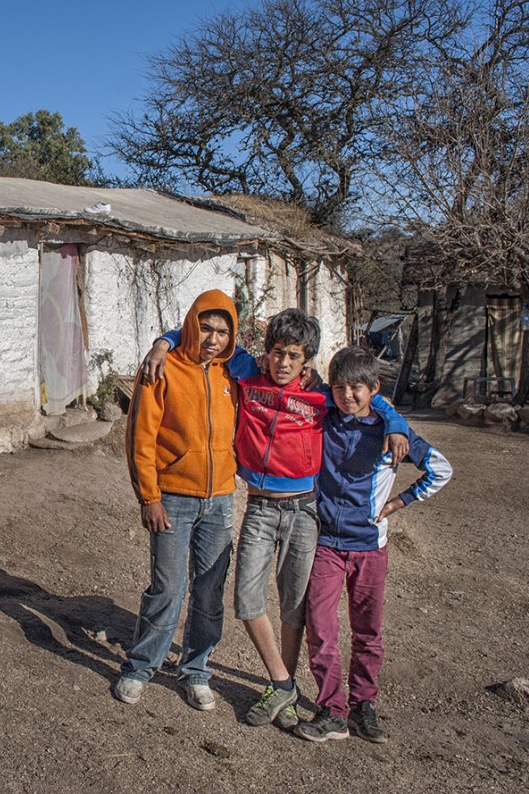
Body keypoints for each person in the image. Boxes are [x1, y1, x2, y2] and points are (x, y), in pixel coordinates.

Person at [140, 309, 407, 730]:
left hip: (304, 512)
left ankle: (278, 689)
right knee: (247, 602)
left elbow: (372, 401)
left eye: (294, 356)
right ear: (266, 354)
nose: (283, 363)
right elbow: (208, 337)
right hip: (260, 510)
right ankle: (284, 683)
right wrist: (163, 342)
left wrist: (395, 422)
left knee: (294, 607)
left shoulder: (322, 398)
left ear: (308, 362)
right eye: (277, 353)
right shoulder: (248, 373)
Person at [295, 346, 452, 743]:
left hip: (370, 547)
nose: (347, 395)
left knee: (367, 631)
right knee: (320, 626)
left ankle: (364, 704)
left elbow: (441, 469)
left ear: (373, 389)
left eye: (357, 388)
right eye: (339, 387)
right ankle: (332, 708)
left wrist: (399, 502)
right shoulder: (324, 417)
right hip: (326, 543)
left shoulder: (389, 431)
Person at [115, 289, 248, 711]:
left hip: (221, 498)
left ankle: (195, 670)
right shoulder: (162, 367)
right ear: (191, 324)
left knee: (209, 592)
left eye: (222, 331)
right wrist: (148, 497)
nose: (213, 338)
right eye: (205, 328)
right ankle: (140, 667)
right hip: (173, 498)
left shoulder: (235, 372)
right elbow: (141, 435)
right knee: (168, 588)